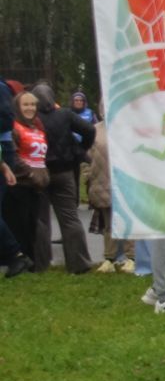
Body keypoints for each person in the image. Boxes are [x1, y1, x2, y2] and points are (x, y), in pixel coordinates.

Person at [37, 85, 95, 274]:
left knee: (41, 219)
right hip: (64, 171)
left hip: (40, 173)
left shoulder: (33, 119)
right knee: (70, 218)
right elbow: (89, 130)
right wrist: (80, 150)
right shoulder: (65, 115)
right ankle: (79, 263)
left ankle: (41, 263)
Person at [6, 90, 49, 271]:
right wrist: (30, 174)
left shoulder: (37, 127)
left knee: (33, 226)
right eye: (26, 105)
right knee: (20, 226)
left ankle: (33, 262)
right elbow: (13, 156)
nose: (30, 108)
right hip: (19, 184)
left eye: (33, 104)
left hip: (36, 186)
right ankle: (21, 263)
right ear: (17, 107)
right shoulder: (14, 127)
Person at [86, 116, 128, 272]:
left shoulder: (128, 126)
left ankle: (131, 257)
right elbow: (89, 154)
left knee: (127, 221)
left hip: (124, 180)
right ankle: (109, 258)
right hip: (102, 181)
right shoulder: (95, 129)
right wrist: (89, 174)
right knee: (108, 222)